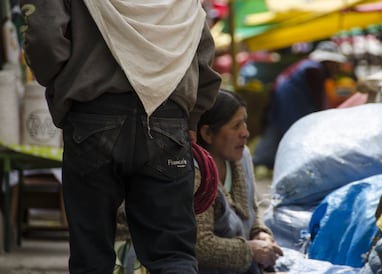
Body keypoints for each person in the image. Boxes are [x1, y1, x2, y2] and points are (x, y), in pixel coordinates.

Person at [19, 1, 221, 273]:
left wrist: (66, 88)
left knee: (91, 257)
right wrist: (192, 116)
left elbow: (44, 38)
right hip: (167, 120)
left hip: (92, 115)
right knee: (172, 255)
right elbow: (203, 51)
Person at [195, 89, 284, 274]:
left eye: (244, 122)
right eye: (236, 126)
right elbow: (200, 246)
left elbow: (252, 209)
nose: (245, 133)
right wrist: (251, 250)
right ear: (208, 133)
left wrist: (260, 233)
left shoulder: (241, 157)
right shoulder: (196, 176)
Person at [252, 41, 347, 169]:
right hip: (290, 102)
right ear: (329, 62)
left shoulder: (308, 65)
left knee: (278, 131)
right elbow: (317, 98)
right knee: (293, 134)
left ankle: (260, 160)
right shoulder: (313, 69)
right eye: (336, 65)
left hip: (283, 100)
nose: (337, 69)